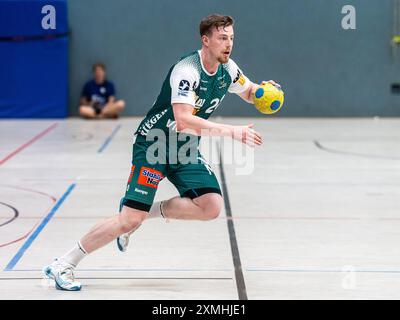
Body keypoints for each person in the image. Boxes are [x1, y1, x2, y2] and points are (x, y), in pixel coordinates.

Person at [43, 14, 281, 291]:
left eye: (231, 38)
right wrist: (232, 131)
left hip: (184, 147)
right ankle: (64, 264)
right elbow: (183, 119)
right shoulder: (187, 71)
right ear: (206, 40)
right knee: (129, 219)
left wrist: (264, 92)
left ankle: (148, 213)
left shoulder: (228, 70)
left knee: (210, 206)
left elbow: (249, 91)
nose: (228, 44)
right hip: (154, 144)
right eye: (222, 38)